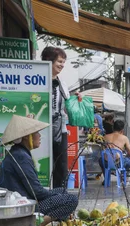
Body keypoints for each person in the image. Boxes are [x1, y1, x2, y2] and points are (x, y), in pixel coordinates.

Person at [0, 116, 78, 226]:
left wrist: (59, 194)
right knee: (71, 200)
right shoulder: (21, 156)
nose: (40, 136)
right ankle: (38, 223)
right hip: (21, 206)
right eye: (37, 133)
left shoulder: (19, 152)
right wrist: (59, 196)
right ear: (26, 137)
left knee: (62, 192)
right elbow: (37, 192)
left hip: (23, 199)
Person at [41, 46, 80, 189]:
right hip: (42, 129)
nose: (62, 65)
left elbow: (67, 105)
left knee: (61, 166)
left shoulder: (62, 83)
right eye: (59, 61)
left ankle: (59, 197)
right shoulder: (37, 79)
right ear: (48, 60)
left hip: (60, 129)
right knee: (43, 164)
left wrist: (76, 99)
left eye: (64, 62)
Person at [101, 120, 130, 184]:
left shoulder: (105, 137)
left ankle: (106, 179)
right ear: (122, 130)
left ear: (113, 128)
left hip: (106, 163)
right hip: (118, 164)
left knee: (100, 160)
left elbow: (103, 150)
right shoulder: (124, 138)